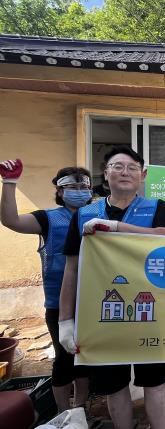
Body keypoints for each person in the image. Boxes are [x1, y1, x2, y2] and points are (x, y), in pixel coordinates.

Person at [58, 146, 165, 429]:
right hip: (102, 316)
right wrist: (65, 321)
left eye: (133, 167)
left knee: (155, 381)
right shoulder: (84, 214)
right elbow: (72, 268)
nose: (125, 172)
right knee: (114, 385)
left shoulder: (156, 207)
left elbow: (164, 236)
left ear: (142, 175)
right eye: (117, 166)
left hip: (149, 312)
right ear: (105, 173)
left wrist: (115, 227)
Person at [0, 160, 92, 413]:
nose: (80, 191)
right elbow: (11, 220)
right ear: (60, 191)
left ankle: (80, 409)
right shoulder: (48, 218)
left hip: (94, 301)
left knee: (86, 358)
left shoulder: (97, 215)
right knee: (64, 359)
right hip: (58, 304)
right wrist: (10, 183)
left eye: (84, 187)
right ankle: (62, 411)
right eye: (72, 187)